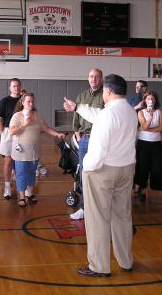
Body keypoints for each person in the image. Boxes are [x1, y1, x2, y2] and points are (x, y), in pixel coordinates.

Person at [63, 74, 138, 277]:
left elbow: (97, 152)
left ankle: (99, 266)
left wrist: (86, 167)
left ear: (108, 91)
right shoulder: (130, 112)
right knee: (122, 217)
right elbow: (99, 115)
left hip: (103, 171)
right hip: (126, 168)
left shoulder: (108, 115)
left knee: (97, 219)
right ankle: (126, 261)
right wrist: (77, 107)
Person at [9, 93, 65, 207]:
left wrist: (57, 134)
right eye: (28, 101)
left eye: (32, 101)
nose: (31, 103)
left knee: (31, 173)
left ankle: (29, 194)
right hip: (21, 151)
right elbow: (12, 131)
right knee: (21, 173)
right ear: (23, 103)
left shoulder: (37, 115)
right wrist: (24, 124)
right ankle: (22, 196)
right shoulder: (17, 116)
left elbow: (46, 128)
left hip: (34, 150)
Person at [70, 68, 104, 220]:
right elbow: (76, 120)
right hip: (85, 140)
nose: (93, 79)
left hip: (101, 140)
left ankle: (100, 208)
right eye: (91, 76)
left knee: (101, 174)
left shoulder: (106, 96)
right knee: (84, 174)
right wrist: (77, 135)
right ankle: (84, 208)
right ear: (88, 78)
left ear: (101, 79)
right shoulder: (81, 96)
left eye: (96, 77)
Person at [134, 91, 162, 205]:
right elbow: (144, 125)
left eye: (152, 99)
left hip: (156, 144)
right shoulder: (141, 112)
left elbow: (161, 128)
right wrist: (150, 118)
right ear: (145, 101)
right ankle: (143, 191)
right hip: (143, 144)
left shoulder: (160, 112)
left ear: (155, 101)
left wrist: (146, 128)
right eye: (148, 99)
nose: (150, 100)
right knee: (143, 168)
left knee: (159, 168)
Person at [0, 78, 22, 199]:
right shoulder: (4, 101)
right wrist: (3, 132)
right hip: (8, 132)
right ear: (10, 88)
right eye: (14, 86)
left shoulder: (24, 101)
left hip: (22, 133)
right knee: (8, 160)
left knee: (21, 161)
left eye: (18, 86)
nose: (16, 88)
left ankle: (21, 187)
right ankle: (7, 187)